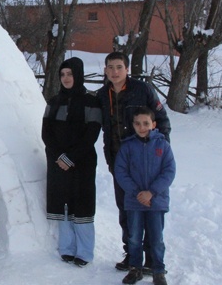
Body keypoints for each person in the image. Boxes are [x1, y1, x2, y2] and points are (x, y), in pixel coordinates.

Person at [96, 51, 171, 273]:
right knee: (127, 209)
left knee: (151, 209)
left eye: (119, 67)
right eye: (110, 67)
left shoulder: (142, 89)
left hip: (148, 163)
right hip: (120, 164)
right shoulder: (102, 95)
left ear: (127, 69)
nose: (114, 71)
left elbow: (162, 119)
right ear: (105, 70)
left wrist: (160, 149)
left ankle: (151, 258)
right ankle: (132, 254)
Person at [42, 57, 102, 267]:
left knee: (82, 204)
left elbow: (91, 134)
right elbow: (46, 133)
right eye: (63, 74)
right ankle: (66, 248)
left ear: (78, 74)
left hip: (82, 162)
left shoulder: (91, 101)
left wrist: (71, 157)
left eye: (70, 74)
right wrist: (59, 157)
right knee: (63, 204)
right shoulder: (53, 101)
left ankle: (85, 252)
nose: (66, 78)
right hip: (57, 162)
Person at [115, 107, 175, 285]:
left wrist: (151, 192)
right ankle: (135, 268)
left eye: (146, 123)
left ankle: (158, 270)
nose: (142, 127)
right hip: (134, 202)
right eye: (138, 124)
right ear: (133, 125)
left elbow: (169, 171)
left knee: (156, 238)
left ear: (154, 124)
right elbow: (121, 172)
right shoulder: (127, 146)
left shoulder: (162, 146)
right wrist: (136, 193)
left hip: (156, 201)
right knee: (134, 237)